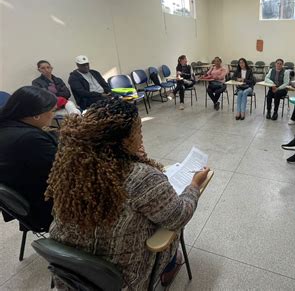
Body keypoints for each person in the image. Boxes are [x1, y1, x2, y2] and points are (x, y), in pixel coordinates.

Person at [45, 99, 210, 289]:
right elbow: (178, 217)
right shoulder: (140, 177)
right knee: (169, 231)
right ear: (123, 141)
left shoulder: (73, 169)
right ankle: (169, 267)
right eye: (138, 130)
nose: (141, 136)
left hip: (71, 274)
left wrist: (138, 158)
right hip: (118, 280)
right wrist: (195, 186)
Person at [0, 86, 58, 231]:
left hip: (27, 202)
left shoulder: (6, 127)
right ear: (36, 115)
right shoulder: (30, 139)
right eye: (51, 111)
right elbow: (64, 171)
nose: (53, 115)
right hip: (46, 208)